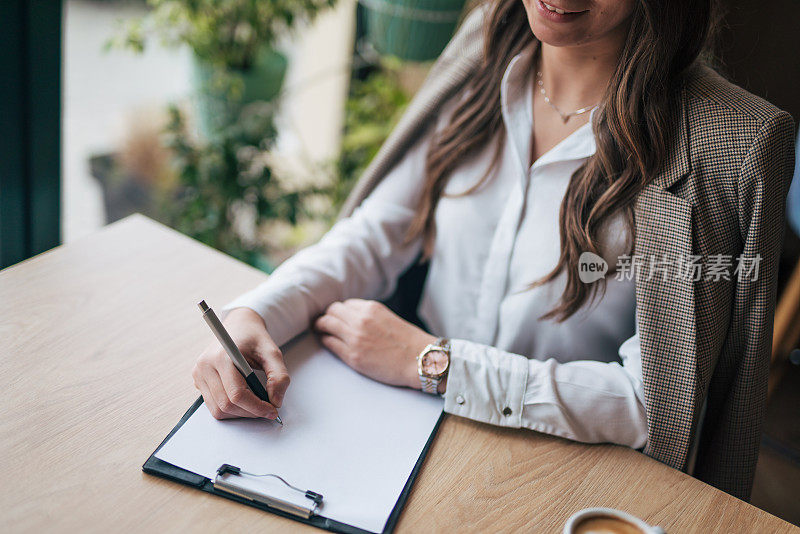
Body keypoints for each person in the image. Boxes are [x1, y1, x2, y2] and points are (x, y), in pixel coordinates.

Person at [192, 0, 796, 501]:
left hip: (564, 471)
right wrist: (256, 312)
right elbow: (381, 230)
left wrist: (435, 363)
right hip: (405, 428)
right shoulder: (488, 37)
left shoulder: (731, 141)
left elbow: (653, 404)